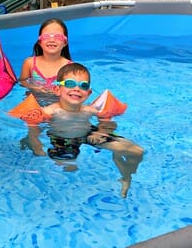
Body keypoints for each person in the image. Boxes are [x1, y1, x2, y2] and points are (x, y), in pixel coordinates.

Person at [22, 62, 144, 198]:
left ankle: (126, 176)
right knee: (69, 167)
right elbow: (34, 127)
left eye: (83, 86)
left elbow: (108, 122)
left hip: (89, 134)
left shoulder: (90, 110)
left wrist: (101, 132)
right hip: (62, 139)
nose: (76, 89)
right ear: (57, 90)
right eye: (69, 84)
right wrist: (35, 143)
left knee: (137, 151)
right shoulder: (50, 111)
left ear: (88, 93)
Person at [19, 18, 72, 155]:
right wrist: (35, 88)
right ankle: (34, 142)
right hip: (34, 103)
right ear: (40, 41)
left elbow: (71, 90)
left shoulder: (69, 67)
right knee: (33, 124)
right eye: (47, 36)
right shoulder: (30, 63)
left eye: (57, 36)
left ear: (65, 42)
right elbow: (23, 82)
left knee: (59, 131)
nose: (52, 39)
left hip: (56, 104)